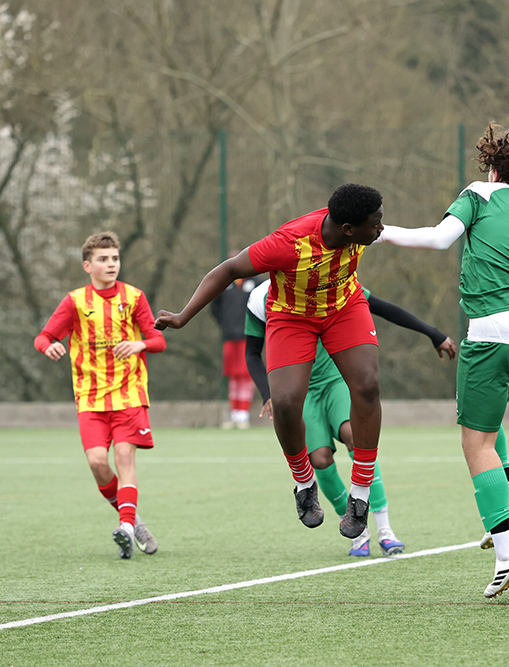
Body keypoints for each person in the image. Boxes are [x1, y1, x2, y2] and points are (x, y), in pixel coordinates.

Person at [379, 122, 509, 597]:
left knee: (473, 442)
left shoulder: (480, 193)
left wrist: (380, 234)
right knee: (482, 412)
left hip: (492, 331)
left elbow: (440, 239)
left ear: (494, 165)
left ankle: (507, 551)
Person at [155, 184, 386, 539]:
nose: (381, 228)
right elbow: (228, 270)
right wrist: (184, 316)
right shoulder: (289, 243)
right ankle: (304, 483)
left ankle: (360, 493)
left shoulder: (363, 230)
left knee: (368, 385)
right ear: (349, 230)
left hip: (344, 308)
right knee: (285, 402)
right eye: (376, 223)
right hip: (292, 317)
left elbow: (421, 237)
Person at [244, 278, 457, 556]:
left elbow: (381, 307)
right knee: (319, 458)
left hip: (335, 378)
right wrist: (267, 393)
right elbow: (251, 352)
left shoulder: (326, 276)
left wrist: (433, 333)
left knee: (354, 436)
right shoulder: (260, 300)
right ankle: (358, 529)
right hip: (301, 389)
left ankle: (384, 529)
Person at [33, 231, 166, 559]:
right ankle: (132, 520)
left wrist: (140, 343)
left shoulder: (134, 297)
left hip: (129, 394)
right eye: (103, 259)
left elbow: (159, 341)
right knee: (96, 463)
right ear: (87, 266)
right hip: (90, 398)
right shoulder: (75, 301)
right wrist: (49, 346)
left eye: (115, 258)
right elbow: (44, 336)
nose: (111, 264)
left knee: (124, 457)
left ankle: (125, 527)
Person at [209, 252, 259, 429]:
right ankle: (234, 414)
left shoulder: (256, 283)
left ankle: (243, 415)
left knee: (246, 376)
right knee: (233, 376)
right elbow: (213, 306)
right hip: (230, 337)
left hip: (249, 337)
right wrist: (225, 324)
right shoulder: (224, 283)